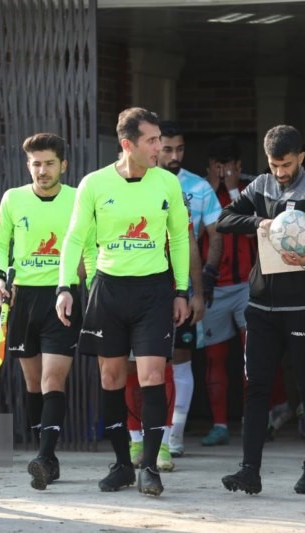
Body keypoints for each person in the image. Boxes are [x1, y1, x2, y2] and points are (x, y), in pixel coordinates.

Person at [55, 107, 190, 497]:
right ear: (127, 144)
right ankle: (121, 465)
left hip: (154, 291)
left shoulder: (167, 183)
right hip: (108, 291)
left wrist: (182, 291)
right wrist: (64, 286)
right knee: (111, 379)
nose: (159, 147)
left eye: (159, 139)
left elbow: (180, 238)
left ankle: (150, 467)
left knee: (152, 376)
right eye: (152, 140)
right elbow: (74, 237)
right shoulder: (94, 184)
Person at [217, 125, 305, 495]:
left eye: (286, 164)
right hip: (260, 306)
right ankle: (249, 471)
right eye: (274, 165)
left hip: (303, 307)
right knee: (256, 388)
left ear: (300, 157)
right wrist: (260, 223)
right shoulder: (261, 186)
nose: (280, 172)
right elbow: (224, 220)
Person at [0, 133, 93, 490]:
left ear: (63, 165)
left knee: (52, 380)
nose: (42, 170)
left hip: (61, 297)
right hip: (22, 300)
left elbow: (90, 245)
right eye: (36, 164)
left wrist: (85, 280)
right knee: (33, 383)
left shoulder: (78, 198)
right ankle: (45, 455)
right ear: (28, 165)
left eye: (49, 163)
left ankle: (45, 457)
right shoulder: (13, 198)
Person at [125, 120, 222, 464]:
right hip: (127, 287)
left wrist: (198, 288)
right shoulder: (122, 183)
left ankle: (170, 438)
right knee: (129, 368)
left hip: (172, 290)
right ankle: (135, 441)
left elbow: (193, 241)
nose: (172, 155)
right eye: (164, 147)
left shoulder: (191, 188)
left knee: (172, 363)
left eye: (178, 148)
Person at [200, 135, 256, 447]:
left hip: (247, 285)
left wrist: (234, 191)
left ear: (238, 165)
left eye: (228, 166)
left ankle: (253, 421)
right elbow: (190, 237)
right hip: (214, 288)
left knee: (252, 357)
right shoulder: (198, 191)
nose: (222, 172)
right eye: (217, 166)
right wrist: (210, 191)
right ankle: (219, 424)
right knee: (214, 358)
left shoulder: (251, 190)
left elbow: (257, 235)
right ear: (209, 166)